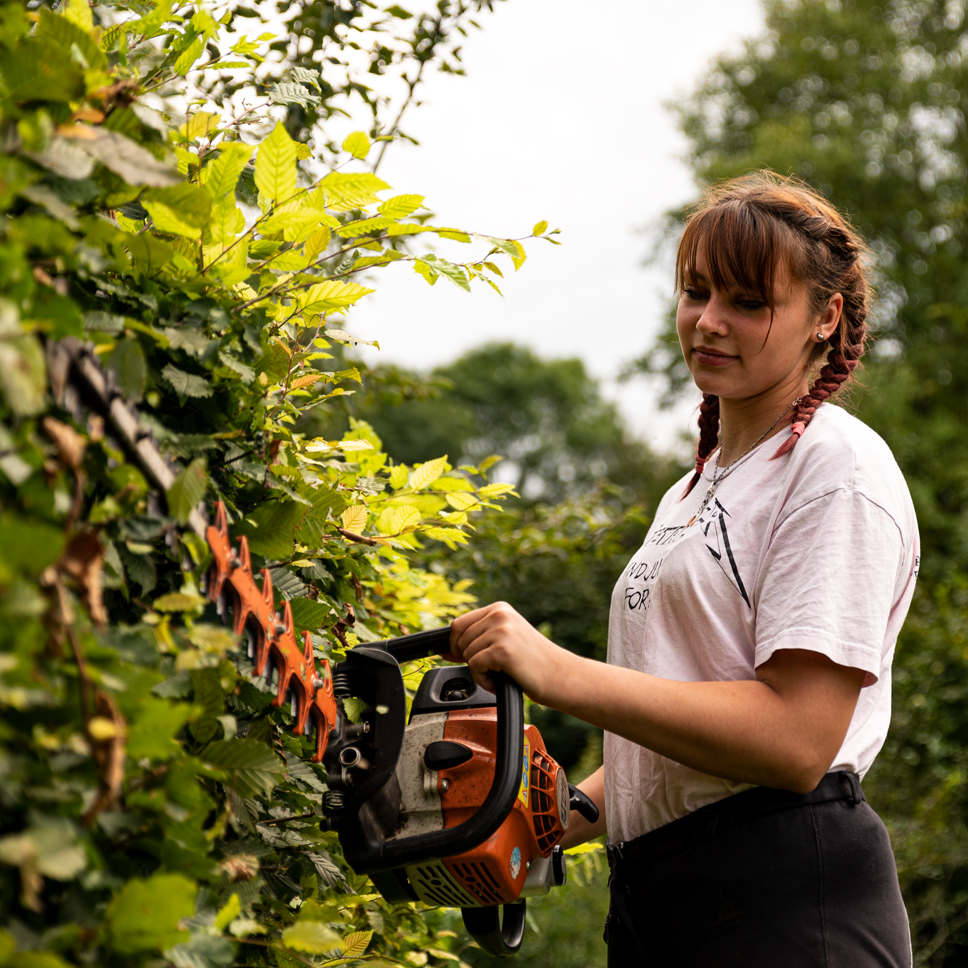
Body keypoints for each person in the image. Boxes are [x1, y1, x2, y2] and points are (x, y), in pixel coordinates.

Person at [448, 172, 919, 967]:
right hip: (662, 900)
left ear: (824, 318)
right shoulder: (692, 490)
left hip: (785, 903)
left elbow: (796, 740)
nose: (709, 321)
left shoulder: (834, 468)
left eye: (746, 300)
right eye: (696, 292)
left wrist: (553, 670)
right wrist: (537, 817)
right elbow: (670, 749)